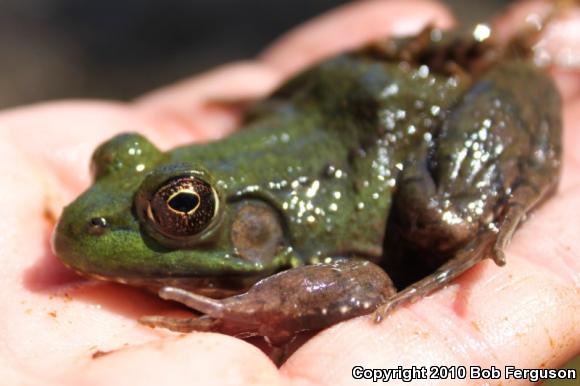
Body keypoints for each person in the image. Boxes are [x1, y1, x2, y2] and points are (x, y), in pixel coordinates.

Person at [0, 0, 578, 384]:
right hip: (348, 110)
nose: (89, 220)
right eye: (113, 164)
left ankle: (515, 84)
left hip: (407, 123)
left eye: (181, 208)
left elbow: (363, 279)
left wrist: (255, 310)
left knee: (445, 220)